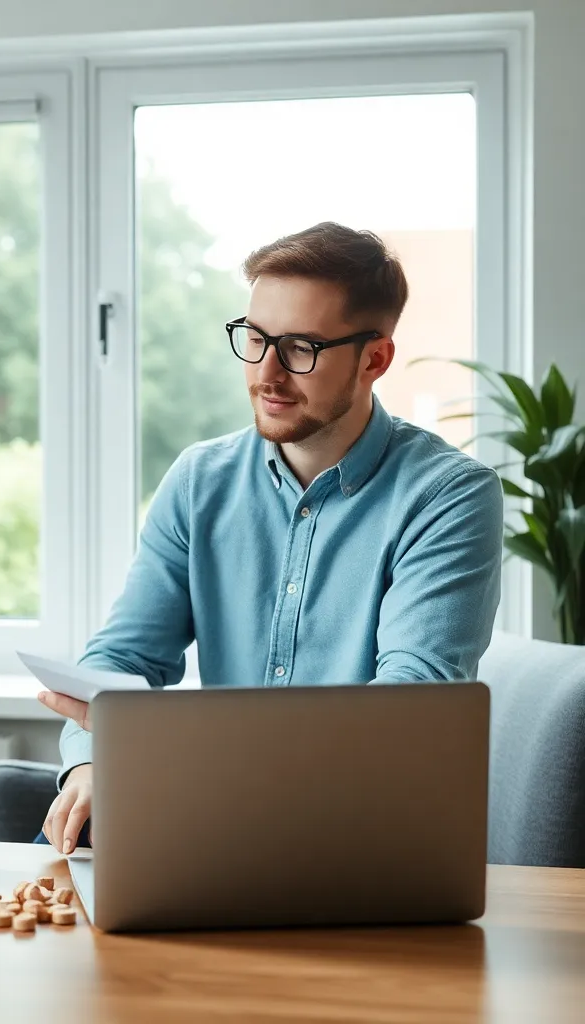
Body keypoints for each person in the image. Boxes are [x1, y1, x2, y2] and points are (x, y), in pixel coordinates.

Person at [35, 221, 504, 854]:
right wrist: (92, 762)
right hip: (206, 820)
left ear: (375, 359)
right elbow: (121, 658)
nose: (268, 374)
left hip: (356, 840)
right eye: (255, 339)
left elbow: (408, 716)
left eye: (302, 347)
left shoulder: (448, 496)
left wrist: (172, 747)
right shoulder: (201, 479)